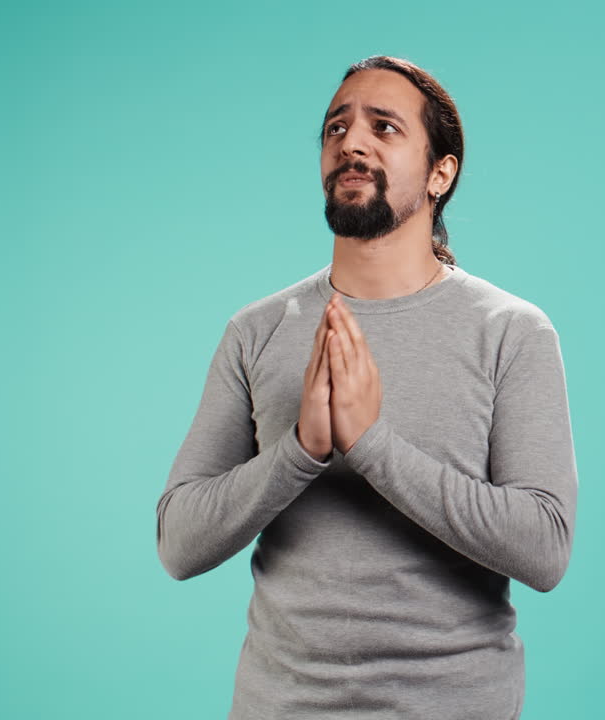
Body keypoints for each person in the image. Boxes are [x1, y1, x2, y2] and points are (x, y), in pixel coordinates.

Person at [156, 55, 578, 720]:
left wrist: (372, 445)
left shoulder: (510, 331)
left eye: (384, 127)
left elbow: (545, 549)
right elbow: (178, 544)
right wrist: (301, 450)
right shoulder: (257, 330)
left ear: (441, 173)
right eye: (336, 127)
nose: (351, 141)